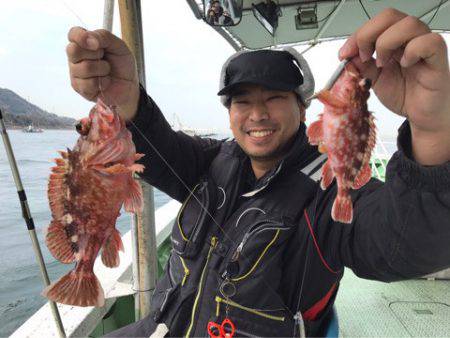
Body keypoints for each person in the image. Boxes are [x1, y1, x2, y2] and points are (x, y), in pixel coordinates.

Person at [66, 8, 450, 337]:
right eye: (242, 101)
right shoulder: (210, 162)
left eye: (275, 99)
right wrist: (126, 99)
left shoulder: (330, 192)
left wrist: (433, 133)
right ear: (229, 115)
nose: (257, 114)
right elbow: (159, 146)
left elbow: (405, 243)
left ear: (303, 109)